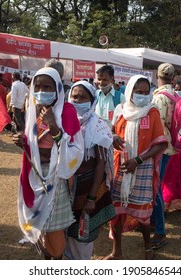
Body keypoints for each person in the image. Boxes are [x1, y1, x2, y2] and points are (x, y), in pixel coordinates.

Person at [12, 67, 84, 260]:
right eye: (38, 86)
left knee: (53, 225)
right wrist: (24, 143)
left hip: (55, 175)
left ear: (58, 88)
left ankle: (57, 258)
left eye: (47, 86)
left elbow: (75, 149)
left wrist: (53, 126)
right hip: (34, 172)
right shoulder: (32, 108)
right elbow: (33, 143)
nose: (42, 90)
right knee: (38, 223)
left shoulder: (67, 112)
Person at [102, 75, 167, 260]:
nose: (143, 96)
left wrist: (137, 160)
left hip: (142, 168)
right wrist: (113, 137)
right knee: (115, 210)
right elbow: (112, 130)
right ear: (130, 92)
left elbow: (160, 144)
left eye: (147, 92)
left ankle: (148, 249)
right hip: (120, 166)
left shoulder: (152, 112)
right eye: (139, 92)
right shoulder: (120, 110)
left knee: (143, 213)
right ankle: (117, 251)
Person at [64, 81, 115, 260]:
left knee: (82, 236)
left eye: (82, 97)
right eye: (74, 96)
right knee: (64, 231)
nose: (77, 101)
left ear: (92, 100)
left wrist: (92, 197)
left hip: (87, 187)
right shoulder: (62, 122)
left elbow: (101, 164)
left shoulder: (98, 126)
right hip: (66, 185)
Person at [150, 63, 177, 250]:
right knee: (157, 187)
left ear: (156, 75)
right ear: (173, 78)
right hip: (170, 146)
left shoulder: (159, 97)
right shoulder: (175, 95)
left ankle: (160, 231)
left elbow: (156, 126)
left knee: (156, 189)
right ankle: (153, 221)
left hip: (160, 147)